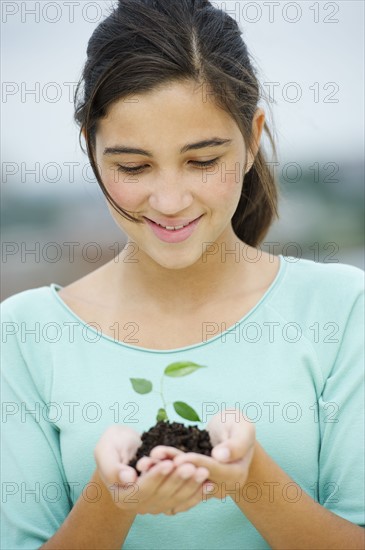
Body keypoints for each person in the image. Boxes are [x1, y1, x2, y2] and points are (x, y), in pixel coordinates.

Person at [1, 0, 364, 548]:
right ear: (90, 152)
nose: (169, 201)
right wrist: (111, 498)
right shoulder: (24, 334)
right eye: (133, 166)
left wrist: (254, 480)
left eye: (202, 161)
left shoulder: (341, 309)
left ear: (251, 139)